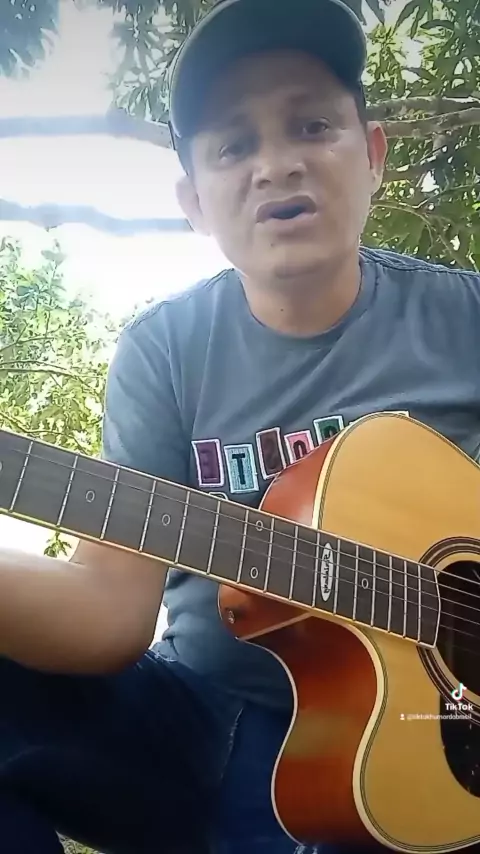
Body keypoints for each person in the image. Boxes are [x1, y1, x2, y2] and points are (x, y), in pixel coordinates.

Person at [1, 0, 479, 851]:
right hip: (201, 729)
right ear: (194, 200)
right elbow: (109, 610)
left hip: (428, 736)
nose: (276, 165)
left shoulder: (463, 318)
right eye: (233, 146)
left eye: (312, 125)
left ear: (373, 155)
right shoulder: (164, 351)